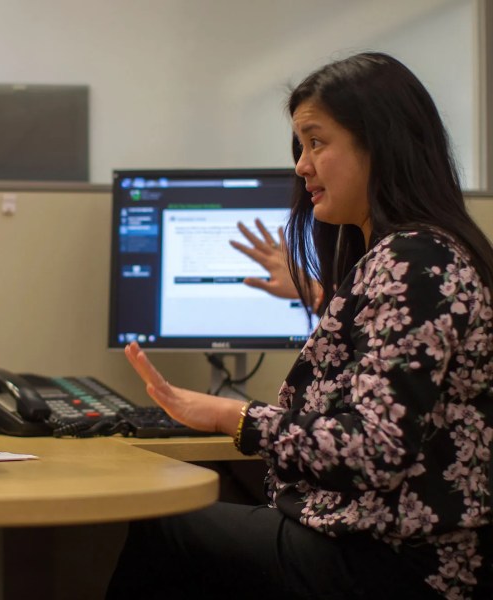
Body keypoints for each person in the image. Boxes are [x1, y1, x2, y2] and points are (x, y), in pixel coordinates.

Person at [107, 52, 493, 600]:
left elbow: (374, 448)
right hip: (387, 539)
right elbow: (394, 350)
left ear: (379, 144)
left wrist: (228, 415)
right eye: (300, 146)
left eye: (317, 142)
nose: (301, 166)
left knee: (164, 526)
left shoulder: (415, 261)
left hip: (400, 563)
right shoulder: (417, 253)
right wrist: (320, 297)